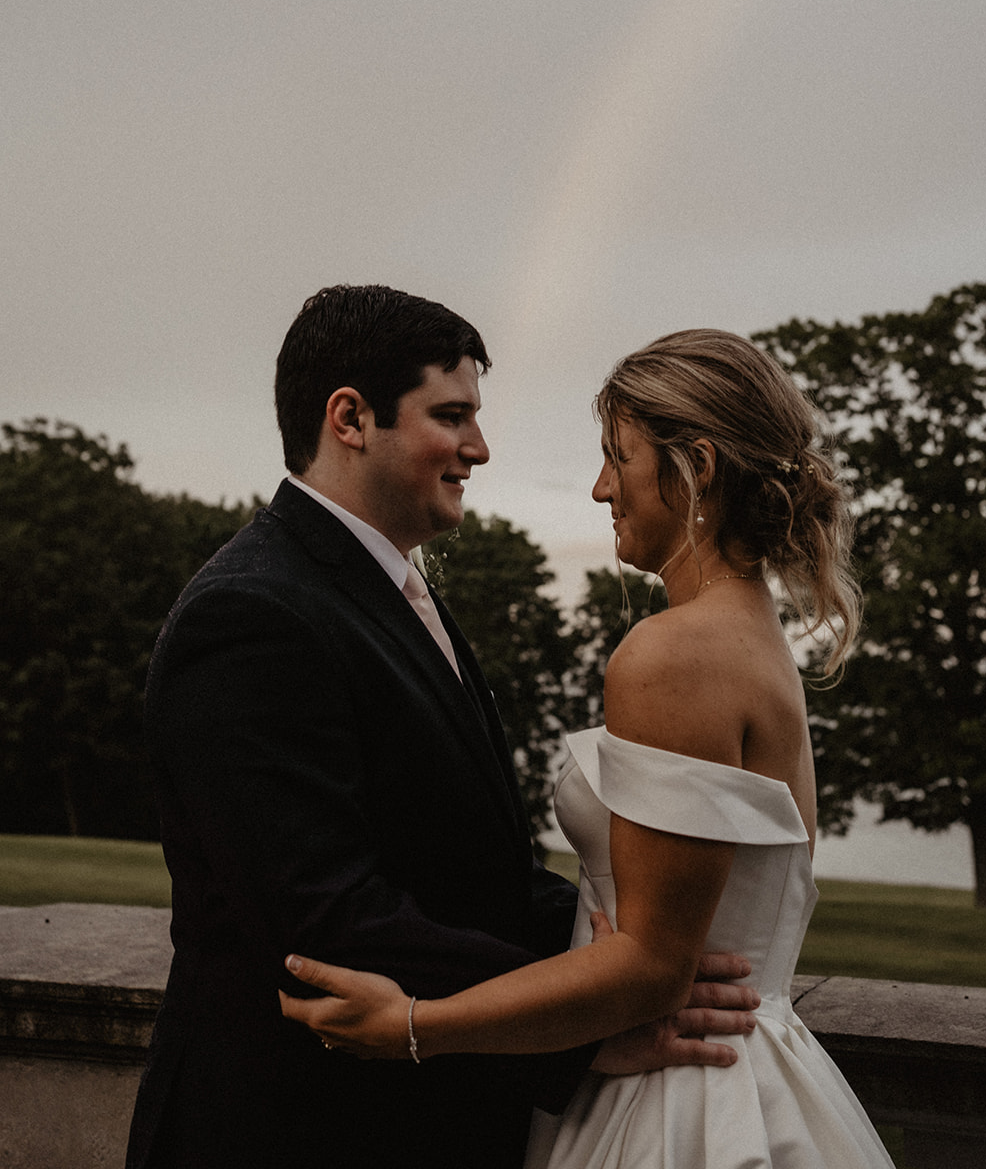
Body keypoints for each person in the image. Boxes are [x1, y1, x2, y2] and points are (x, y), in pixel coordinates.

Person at [125, 289, 757, 1169]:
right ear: (349, 418)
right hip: (299, 1130)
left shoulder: (389, 591)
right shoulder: (250, 614)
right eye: (451, 415)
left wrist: (625, 951)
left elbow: (471, 872)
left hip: (413, 1121)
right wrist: (580, 1026)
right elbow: (328, 918)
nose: (480, 448)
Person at [280, 327, 896, 1169]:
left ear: (698, 469)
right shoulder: (754, 637)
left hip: (681, 1102)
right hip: (739, 1063)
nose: (602, 487)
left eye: (619, 457)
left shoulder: (670, 652)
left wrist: (413, 1027)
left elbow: (648, 968)